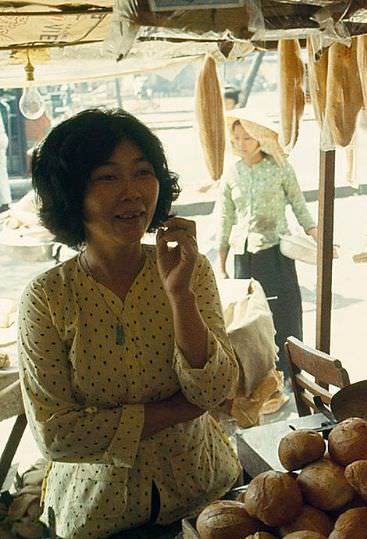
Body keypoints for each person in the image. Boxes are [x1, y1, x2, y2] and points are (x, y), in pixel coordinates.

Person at [18, 108, 240, 539]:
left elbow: (213, 391)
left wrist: (179, 296)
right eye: (107, 177)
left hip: (206, 494)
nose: (133, 193)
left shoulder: (187, 269)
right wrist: (175, 410)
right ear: (71, 192)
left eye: (143, 172)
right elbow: (57, 435)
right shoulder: (47, 297)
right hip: (100, 514)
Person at [217, 110, 317, 382]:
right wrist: (222, 257)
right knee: (248, 319)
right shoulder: (232, 173)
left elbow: (299, 205)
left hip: (275, 253)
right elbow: (225, 216)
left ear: (260, 139)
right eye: (236, 138)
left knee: (283, 312)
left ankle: (289, 369)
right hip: (243, 255)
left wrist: (318, 236)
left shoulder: (279, 167)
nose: (240, 143)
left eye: (246, 138)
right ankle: (257, 374)